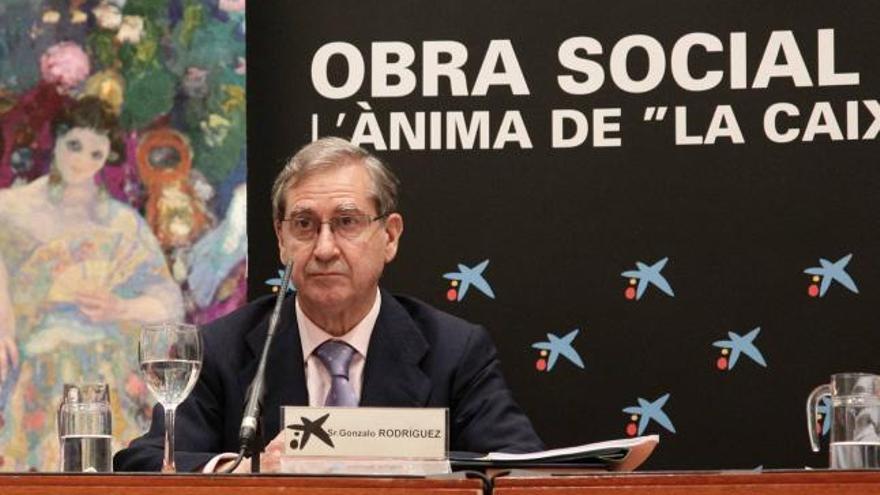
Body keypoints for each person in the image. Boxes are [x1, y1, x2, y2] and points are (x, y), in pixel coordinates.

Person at [114, 137, 543, 472]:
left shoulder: (454, 351)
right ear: (281, 240)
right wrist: (239, 470)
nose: (324, 248)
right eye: (303, 225)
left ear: (389, 236)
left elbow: (520, 468)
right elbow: (147, 461)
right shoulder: (222, 349)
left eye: (347, 222)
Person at [0, 97, 184, 470]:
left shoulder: (121, 222)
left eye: (95, 153)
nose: (81, 161)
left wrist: (120, 308)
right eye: (74, 146)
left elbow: (168, 301)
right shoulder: (11, 209)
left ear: (107, 159)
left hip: (109, 365)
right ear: (56, 140)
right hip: (32, 360)